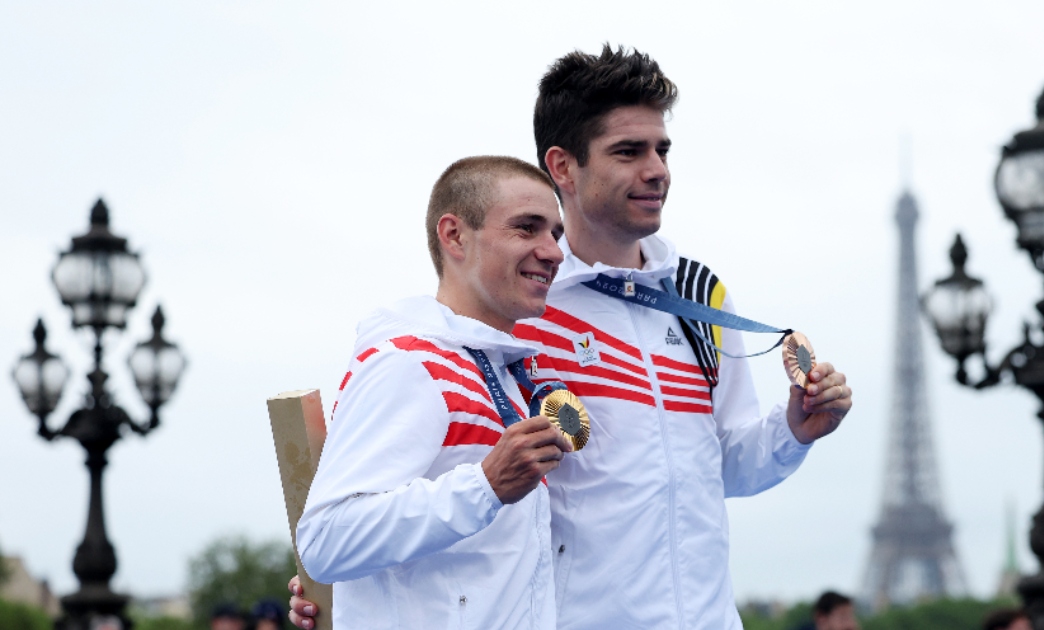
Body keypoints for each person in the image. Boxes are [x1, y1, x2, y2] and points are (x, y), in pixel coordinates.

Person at [291, 45, 853, 629]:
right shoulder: (513, 304)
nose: (656, 169)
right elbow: (414, 475)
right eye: (629, 152)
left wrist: (793, 432)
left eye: (662, 149)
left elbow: (723, 469)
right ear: (563, 167)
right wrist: (341, 587)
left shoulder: (701, 296)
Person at [293, 156, 572, 629]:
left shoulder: (512, 374)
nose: (553, 252)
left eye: (555, 235)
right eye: (527, 229)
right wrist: (483, 486)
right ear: (454, 235)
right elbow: (324, 541)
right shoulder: (406, 361)